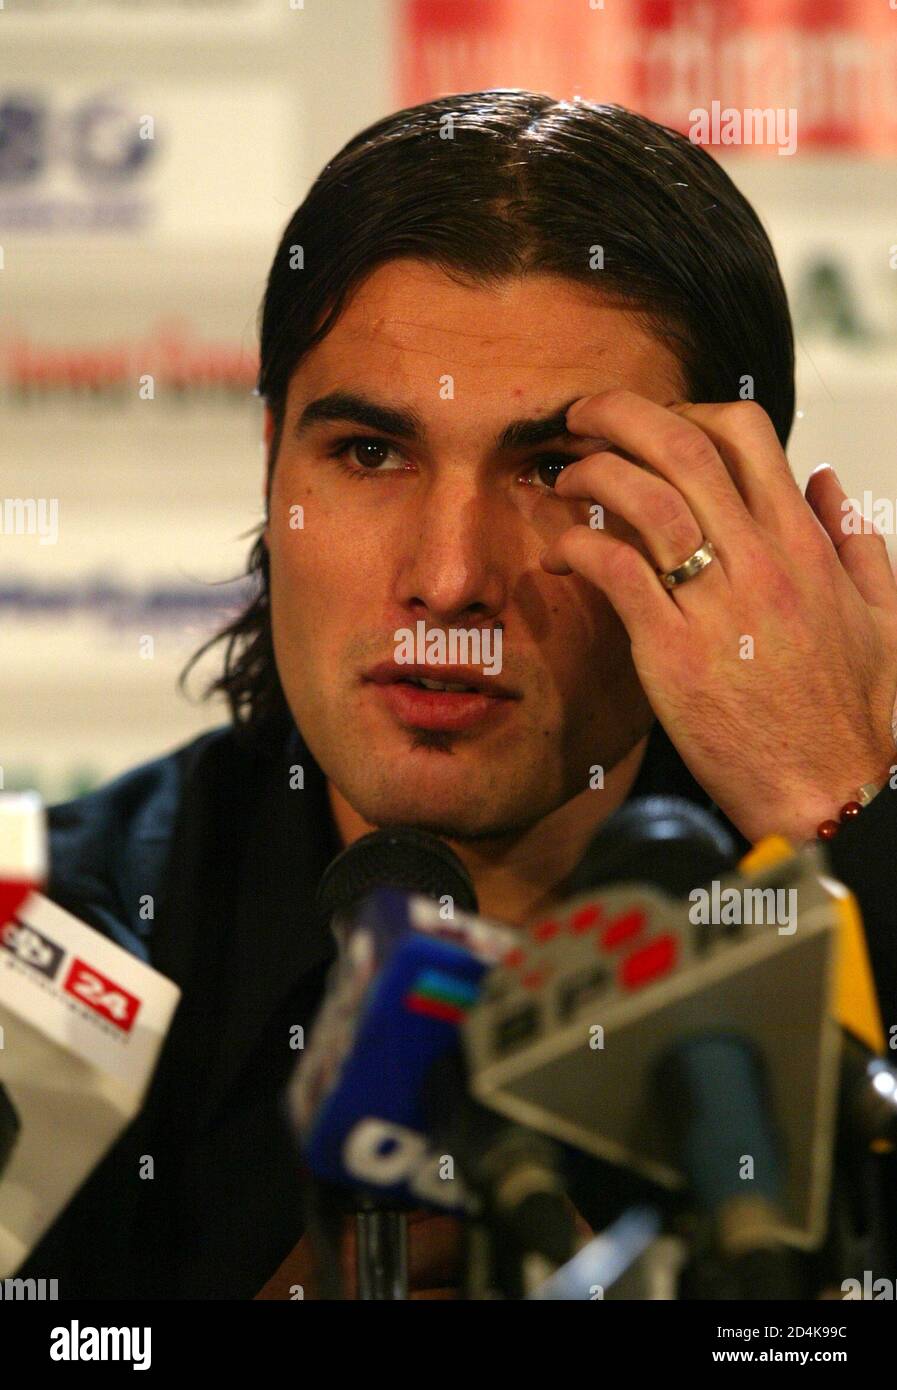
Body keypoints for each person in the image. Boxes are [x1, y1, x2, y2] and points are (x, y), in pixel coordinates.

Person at [18, 90, 897, 1299]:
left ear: (729, 516)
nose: (446, 580)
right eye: (370, 455)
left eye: (554, 470)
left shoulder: (852, 876)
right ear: (273, 462)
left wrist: (843, 817)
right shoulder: (48, 946)